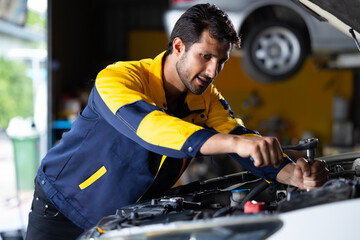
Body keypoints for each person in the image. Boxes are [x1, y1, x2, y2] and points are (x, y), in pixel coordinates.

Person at [26, 3, 328, 239]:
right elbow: (151, 127)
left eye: (220, 62)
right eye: (206, 56)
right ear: (179, 46)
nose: (212, 71)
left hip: (125, 218)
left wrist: (289, 173)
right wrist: (235, 143)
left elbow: (236, 135)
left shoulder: (206, 98)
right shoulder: (117, 79)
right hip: (62, 210)